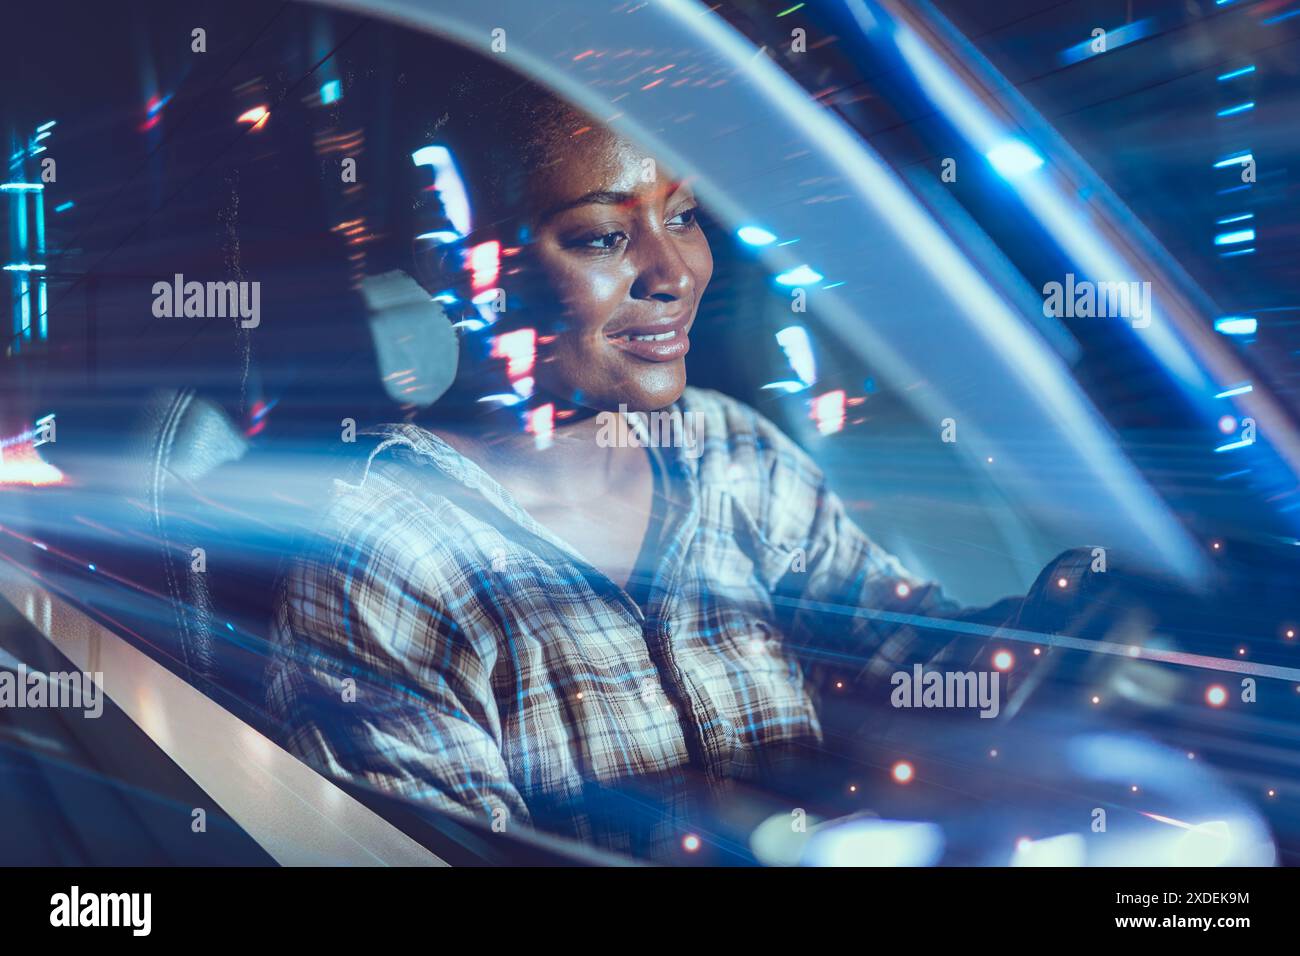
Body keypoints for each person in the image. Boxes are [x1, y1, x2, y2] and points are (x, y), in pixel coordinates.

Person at [264, 70, 1086, 860]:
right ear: (460, 266)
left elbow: (909, 660)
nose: (675, 273)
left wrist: (1074, 617)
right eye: (603, 237)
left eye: (684, 216)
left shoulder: (734, 455)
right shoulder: (387, 568)